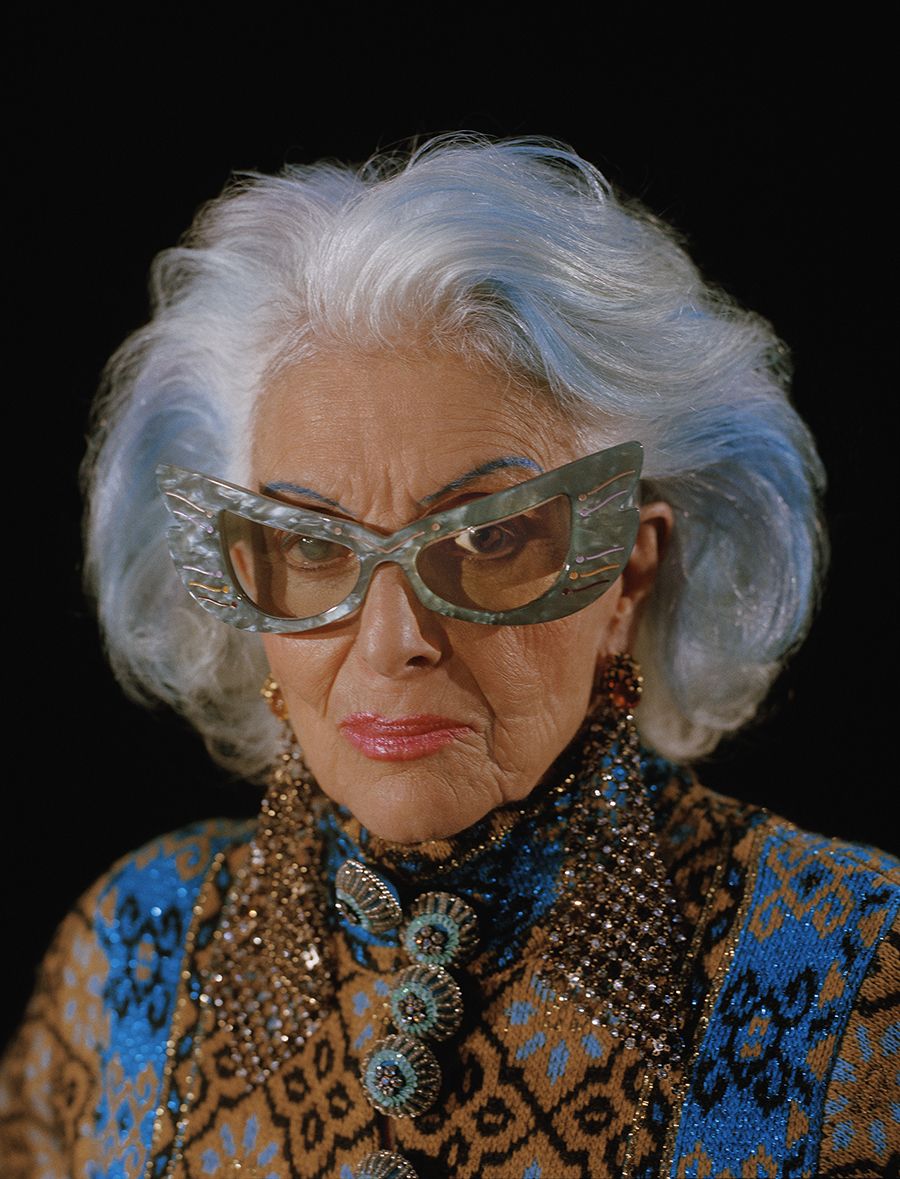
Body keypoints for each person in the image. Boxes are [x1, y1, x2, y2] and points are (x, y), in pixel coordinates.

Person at [1, 134, 897, 1179]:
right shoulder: (133, 951)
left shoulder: (857, 970)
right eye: (311, 547)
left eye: (491, 538)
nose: (397, 642)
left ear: (629, 573)